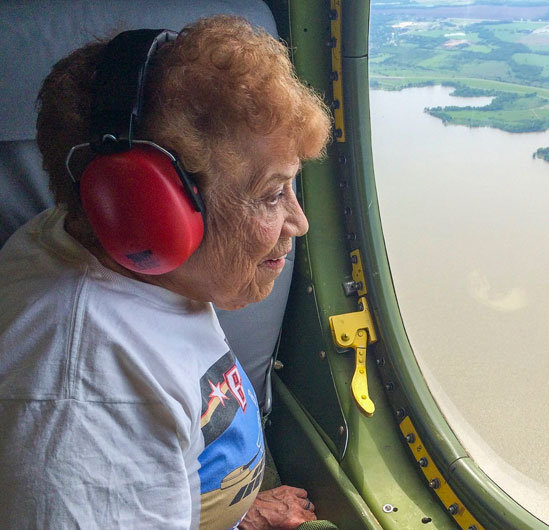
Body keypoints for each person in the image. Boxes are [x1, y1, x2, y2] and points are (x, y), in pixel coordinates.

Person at [0, 15, 331, 530]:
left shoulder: (123, 257)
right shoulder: (85, 403)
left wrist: (231, 510)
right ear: (148, 209)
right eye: (271, 194)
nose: (300, 222)